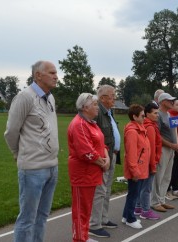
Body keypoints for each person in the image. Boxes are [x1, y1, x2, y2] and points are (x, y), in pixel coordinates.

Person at [4, 60, 59, 242]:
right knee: (27, 219)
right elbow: (11, 131)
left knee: (42, 216)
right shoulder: (24, 97)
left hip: (52, 167)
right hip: (33, 169)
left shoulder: (50, 98)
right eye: (51, 73)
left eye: (55, 73)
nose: (56, 76)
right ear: (38, 75)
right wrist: (16, 153)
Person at [68, 93, 110, 242]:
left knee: (87, 208)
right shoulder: (79, 124)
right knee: (81, 210)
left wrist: (107, 157)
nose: (97, 107)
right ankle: (79, 238)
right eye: (94, 104)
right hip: (83, 173)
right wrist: (103, 163)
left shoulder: (91, 123)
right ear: (85, 107)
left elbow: (101, 143)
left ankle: (83, 236)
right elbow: (85, 152)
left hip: (92, 173)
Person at [89, 85, 120, 238]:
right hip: (103, 158)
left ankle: (103, 219)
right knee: (100, 191)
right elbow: (92, 136)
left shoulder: (109, 111)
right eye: (112, 96)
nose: (114, 98)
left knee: (107, 189)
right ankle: (94, 224)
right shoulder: (97, 112)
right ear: (102, 98)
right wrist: (101, 157)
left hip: (111, 155)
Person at [122, 104, 151, 229]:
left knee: (133, 193)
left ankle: (125, 216)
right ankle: (130, 218)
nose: (144, 118)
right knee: (134, 194)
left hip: (141, 167)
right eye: (142, 116)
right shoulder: (132, 132)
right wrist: (134, 171)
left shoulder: (140, 129)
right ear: (134, 116)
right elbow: (132, 154)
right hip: (136, 169)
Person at [151, 93, 178, 212]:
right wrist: (171, 144)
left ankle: (162, 199)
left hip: (171, 149)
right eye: (170, 100)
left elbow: (174, 132)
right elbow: (158, 136)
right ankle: (154, 201)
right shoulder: (158, 115)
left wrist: (175, 144)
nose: (172, 102)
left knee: (167, 176)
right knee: (159, 176)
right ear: (163, 102)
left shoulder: (169, 114)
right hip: (163, 149)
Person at [134, 103, 162, 220]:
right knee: (147, 187)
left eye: (158, 113)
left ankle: (138, 207)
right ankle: (146, 210)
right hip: (149, 161)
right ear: (147, 114)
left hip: (145, 161)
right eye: (155, 113)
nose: (157, 115)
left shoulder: (147, 125)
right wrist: (153, 165)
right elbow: (150, 147)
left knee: (142, 186)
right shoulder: (150, 127)